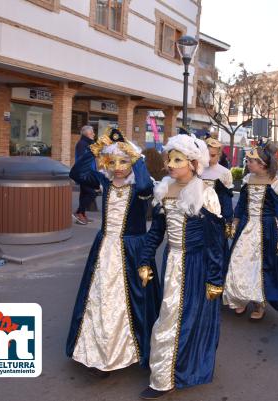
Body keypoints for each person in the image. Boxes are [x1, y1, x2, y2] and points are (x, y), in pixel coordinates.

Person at [66, 128, 160, 377]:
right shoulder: (104, 181)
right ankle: (101, 352)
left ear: (133, 161)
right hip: (105, 249)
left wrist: (137, 157)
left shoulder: (142, 186)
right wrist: (92, 149)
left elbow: (142, 184)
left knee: (133, 301)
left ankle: (133, 349)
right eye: (112, 161)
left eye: (124, 161)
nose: (118, 167)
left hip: (133, 250)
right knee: (100, 298)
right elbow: (76, 173)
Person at [138, 134, 224, 400]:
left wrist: (215, 279)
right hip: (172, 262)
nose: (171, 165)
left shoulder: (205, 194)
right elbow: (157, 232)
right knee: (173, 317)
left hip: (195, 265)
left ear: (193, 163)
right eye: (169, 159)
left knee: (180, 318)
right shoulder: (164, 189)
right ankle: (171, 368)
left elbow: (215, 243)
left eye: (178, 159)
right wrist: (144, 259)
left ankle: (165, 378)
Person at [223, 142, 278, 320]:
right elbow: (242, 204)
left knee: (260, 268)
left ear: (263, 164)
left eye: (251, 161)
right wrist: (235, 222)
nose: (248, 164)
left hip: (266, 230)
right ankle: (240, 299)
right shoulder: (247, 180)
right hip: (246, 227)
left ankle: (259, 304)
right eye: (248, 160)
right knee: (238, 262)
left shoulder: (277, 184)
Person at [201, 136, 234, 277]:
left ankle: (216, 279)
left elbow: (227, 200)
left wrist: (228, 221)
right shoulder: (198, 170)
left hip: (216, 218)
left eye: (213, 155)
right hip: (198, 217)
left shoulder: (224, 173)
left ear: (219, 154)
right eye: (207, 154)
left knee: (216, 251)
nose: (209, 158)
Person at [73, 125, 98, 225]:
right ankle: (79, 212)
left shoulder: (87, 144)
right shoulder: (82, 144)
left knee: (84, 193)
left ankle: (82, 214)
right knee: (92, 193)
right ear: (87, 134)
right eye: (92, 133)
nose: (94, 134)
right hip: (84, 173)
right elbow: (82, 159)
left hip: (87, 173)